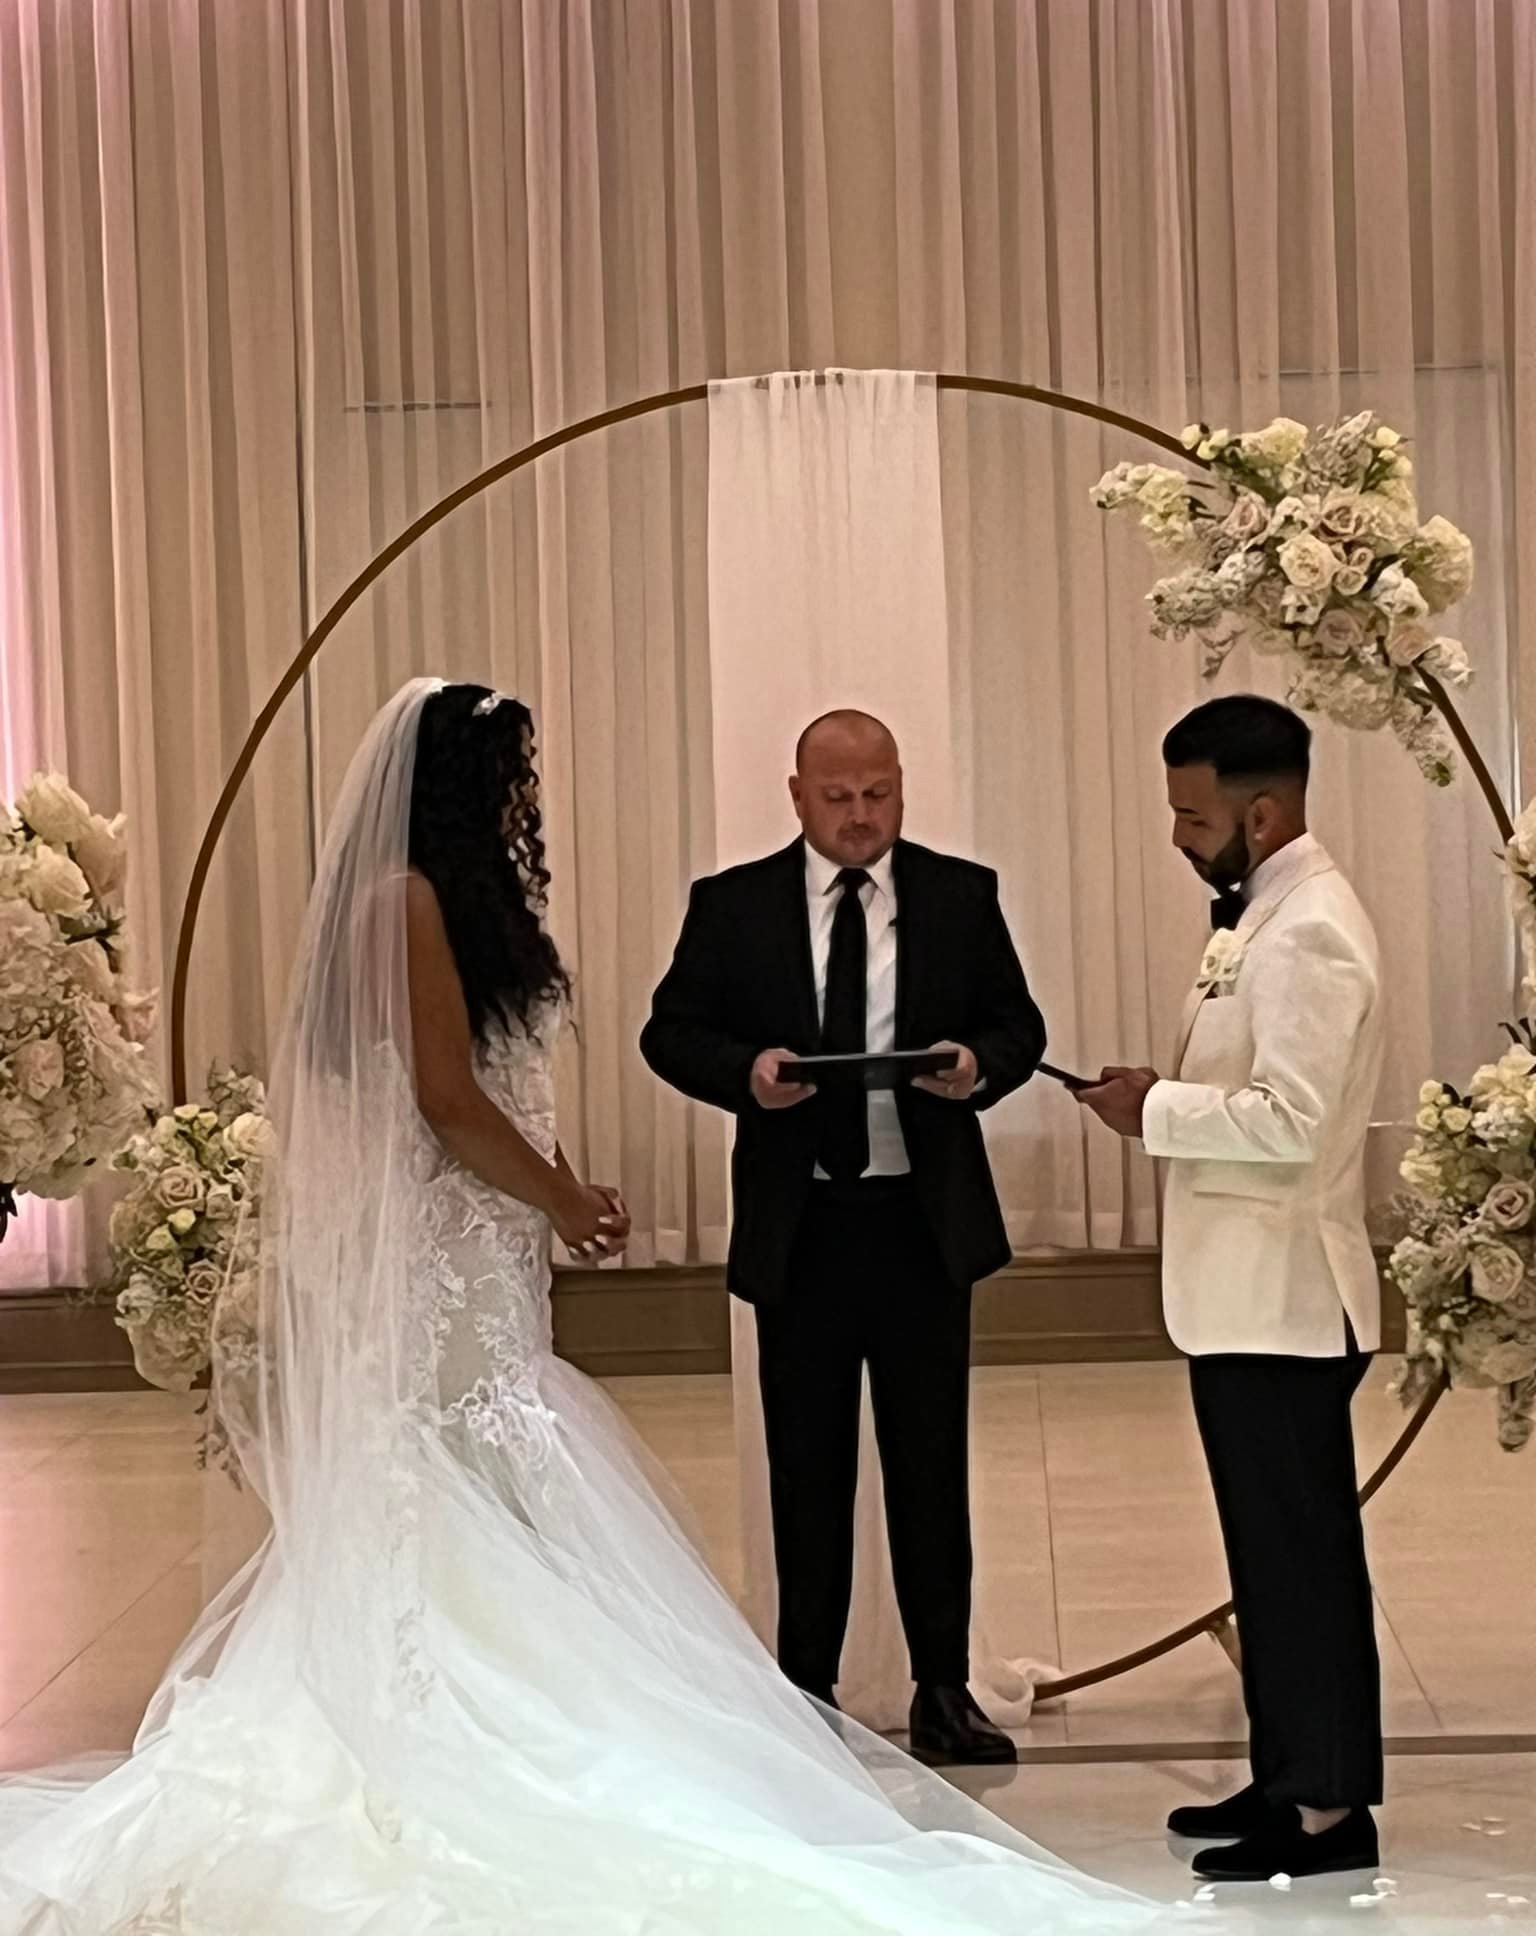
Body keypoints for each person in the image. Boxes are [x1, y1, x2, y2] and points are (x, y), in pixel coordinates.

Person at [0, 678, 1162, 1935]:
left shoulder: (493, 901)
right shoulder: (427, 901)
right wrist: (587, 1172)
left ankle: (906, 1678)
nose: (527, 798)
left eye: (879, 791)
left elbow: (495, 1085)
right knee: (500, 1470)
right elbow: (456, 1094)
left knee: (859, 1460)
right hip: (508, 1241)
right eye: (512, 776)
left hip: (631, 1234)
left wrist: (562, 1187)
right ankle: (686, 1693)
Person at [641, 710, 1045, 1767]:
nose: (861, 816)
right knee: (806, 1466)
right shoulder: (733, 905)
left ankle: (943, 1686)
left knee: (930, 1462)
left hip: (921, 1222)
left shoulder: (960, 895)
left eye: (879, 794)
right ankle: (807, 1690)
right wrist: (746, 1074)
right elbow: (670, 1031)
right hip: (804, 1224)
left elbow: (1019, 1027)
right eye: (838, 797)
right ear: (797, 796)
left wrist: (975, 1066)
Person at [1076, 694, 1385, 1884]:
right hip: (1244, 1299)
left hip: (1287, 1298)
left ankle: (1329, 1808)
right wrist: (1159, 1088)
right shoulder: (1265, 914)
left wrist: (1152, 1109)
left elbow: (1292, 1120)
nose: (1177, 836)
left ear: (1261, 814)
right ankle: (1288, 1770)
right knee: (1268, 1560)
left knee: (1302, 1562)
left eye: (1193, 816)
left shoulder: (1312, 929)